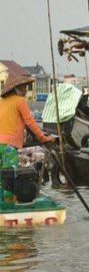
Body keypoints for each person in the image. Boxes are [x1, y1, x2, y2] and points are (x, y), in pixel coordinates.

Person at [0, 73, 56, 203]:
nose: (26, 89)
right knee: (9, 179)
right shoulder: (20, 101)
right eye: (25, 86)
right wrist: (43, 138)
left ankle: (1, 205)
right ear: (17, 88)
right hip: (8, 147)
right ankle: (9, 206)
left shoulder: (2, 102)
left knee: (1, 178)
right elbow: (30, 122)